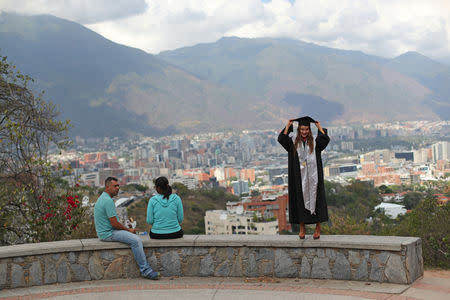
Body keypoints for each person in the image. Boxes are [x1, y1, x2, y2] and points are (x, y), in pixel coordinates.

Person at [94, 177, 160, 279]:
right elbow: (114, 224)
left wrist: (125, 229)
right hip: (108, 233)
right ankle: (146, 270)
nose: (118, 188)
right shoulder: (108, 201)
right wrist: (128, 230)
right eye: (115, 186)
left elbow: (113, 222)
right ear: (107, 187)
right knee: (136, 241)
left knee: (134, 236)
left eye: (118, 186)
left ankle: (145, 269)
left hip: (104, 232)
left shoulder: (102, 198)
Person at [278, 116, 330, 239]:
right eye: (302, 129)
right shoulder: (293, 142)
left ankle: (318, 228)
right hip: (298, 178)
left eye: (306, 129)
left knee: (317, 200)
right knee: (300, 202)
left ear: (309, 130)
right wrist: (287, 126)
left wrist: (319, 127)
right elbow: (282, 139)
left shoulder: (316, 142)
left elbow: (325, 140)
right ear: (299, 130)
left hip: (314, 177)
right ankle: (302, 228)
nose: (304, 132)